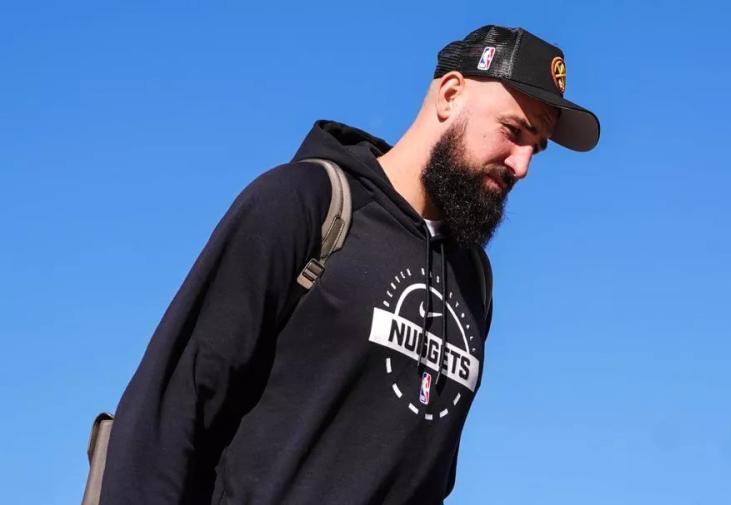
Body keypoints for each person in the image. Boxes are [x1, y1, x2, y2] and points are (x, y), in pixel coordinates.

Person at [99, 25, 600, 505]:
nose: (522, 165)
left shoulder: (474, 281)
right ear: (450, 95)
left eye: (536, 149)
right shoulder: (305, 204)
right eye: (513, 131)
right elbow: (167, 412)